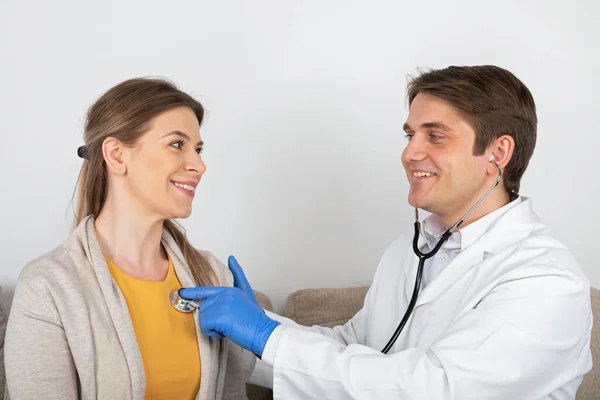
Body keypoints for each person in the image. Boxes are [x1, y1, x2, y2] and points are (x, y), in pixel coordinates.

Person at [180, 65, 593, 399]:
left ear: (497, 153)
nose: (410, 152)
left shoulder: (546, 282)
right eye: (411, 134)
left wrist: (268, 337)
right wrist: (254, 335)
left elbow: (434, 389)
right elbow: (358, 347)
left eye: (435, 135)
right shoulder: (410, 250)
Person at [4, 77, 252, 399]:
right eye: (178, 144)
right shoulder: (48, 287)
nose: (199, 165)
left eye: (198, 149)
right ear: (117, 155)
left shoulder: (214, 275)